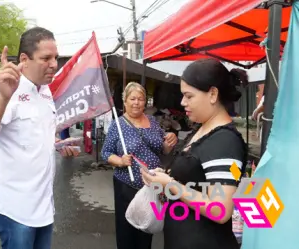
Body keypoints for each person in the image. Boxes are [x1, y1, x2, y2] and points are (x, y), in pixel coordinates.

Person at [0, 27, 79, 249]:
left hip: (44, 205)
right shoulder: (0, 90)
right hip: (15, 209)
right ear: (24, 59)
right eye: (46, 58)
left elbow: (31, 135)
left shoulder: (45, 90)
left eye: (55, 57)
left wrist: (57, 146)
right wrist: (3, 98)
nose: (54, 64)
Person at [141, 58, 247, 249]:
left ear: (213, 94)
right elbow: (194, 180)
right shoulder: (201, 129)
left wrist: (171, 184)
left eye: (189, 96)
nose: (183, 102)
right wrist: (163, 178)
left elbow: (220, 210)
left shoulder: (225, 141)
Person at [101, 82, 178, 249]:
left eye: (141, 99)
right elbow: (105, 153)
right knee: (127, 231)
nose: (136, 102)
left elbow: (162, 149)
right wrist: (120, 161)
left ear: (145, 102)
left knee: (146, 227)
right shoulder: (118, 125)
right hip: (126, 185)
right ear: (125, 101)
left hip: (151, 186)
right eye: (132, 98)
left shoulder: (151, 120)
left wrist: (170, 141)